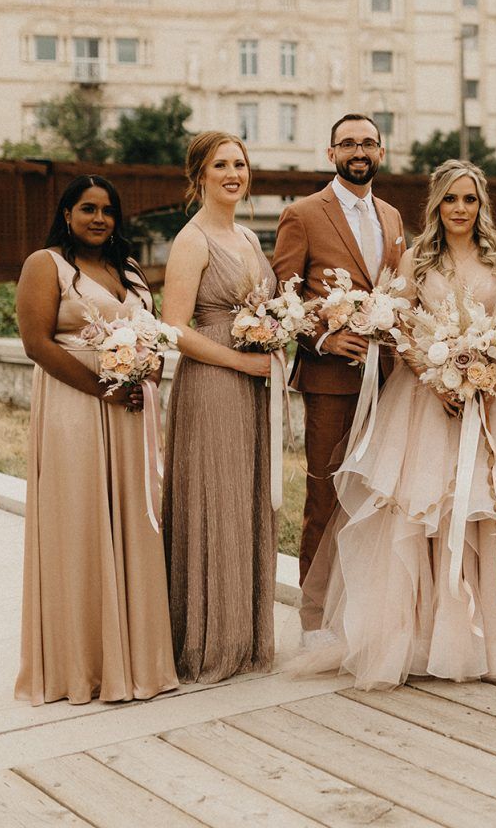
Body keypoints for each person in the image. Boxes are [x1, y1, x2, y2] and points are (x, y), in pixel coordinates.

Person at [298, 160, 496, 689]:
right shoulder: (415, 258)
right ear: (436, 204)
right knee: (427, 516)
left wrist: (492, 375)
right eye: (451, 200)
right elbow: (404, 327)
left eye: (470, 200)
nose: (460, 209)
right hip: (427, 402)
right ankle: (429, 641)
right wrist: (437, 380)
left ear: (482, 204)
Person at [14, 175, 178, 705]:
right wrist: (104, 389)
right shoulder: (47, 265)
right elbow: (36, 343)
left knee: (133, 521)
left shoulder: (128, 270)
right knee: (80, 520)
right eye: (87, 209)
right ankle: (80, 664)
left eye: (108, 210)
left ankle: (135, 659)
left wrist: (146, 374)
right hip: (75, 407)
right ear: (67, 214)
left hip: (131, 412)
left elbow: (151, 333)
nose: (99, 219)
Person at [271, 113, 406, 643]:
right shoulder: (302, 213)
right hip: (330, 380)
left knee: (375, 498)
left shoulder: (393, 217)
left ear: (381, 152)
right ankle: (315, 619)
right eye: (348, 143)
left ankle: (366, 609)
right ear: (331, 153)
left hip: (389, 382)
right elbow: (286, 296)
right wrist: (323, 337)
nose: (359, 151)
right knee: (324, 498)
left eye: (368, 143)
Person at [159, 132, 276, 683]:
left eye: (240, 164)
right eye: (221, 165)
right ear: (199, 176)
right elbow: (175, 329)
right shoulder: (192, 240)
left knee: (248, 496)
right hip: (213, 382)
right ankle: (207, 639)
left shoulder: (250, 238)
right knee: (216, 498)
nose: (234, 173)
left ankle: (244, 634)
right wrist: (240, 363)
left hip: (253, 382)